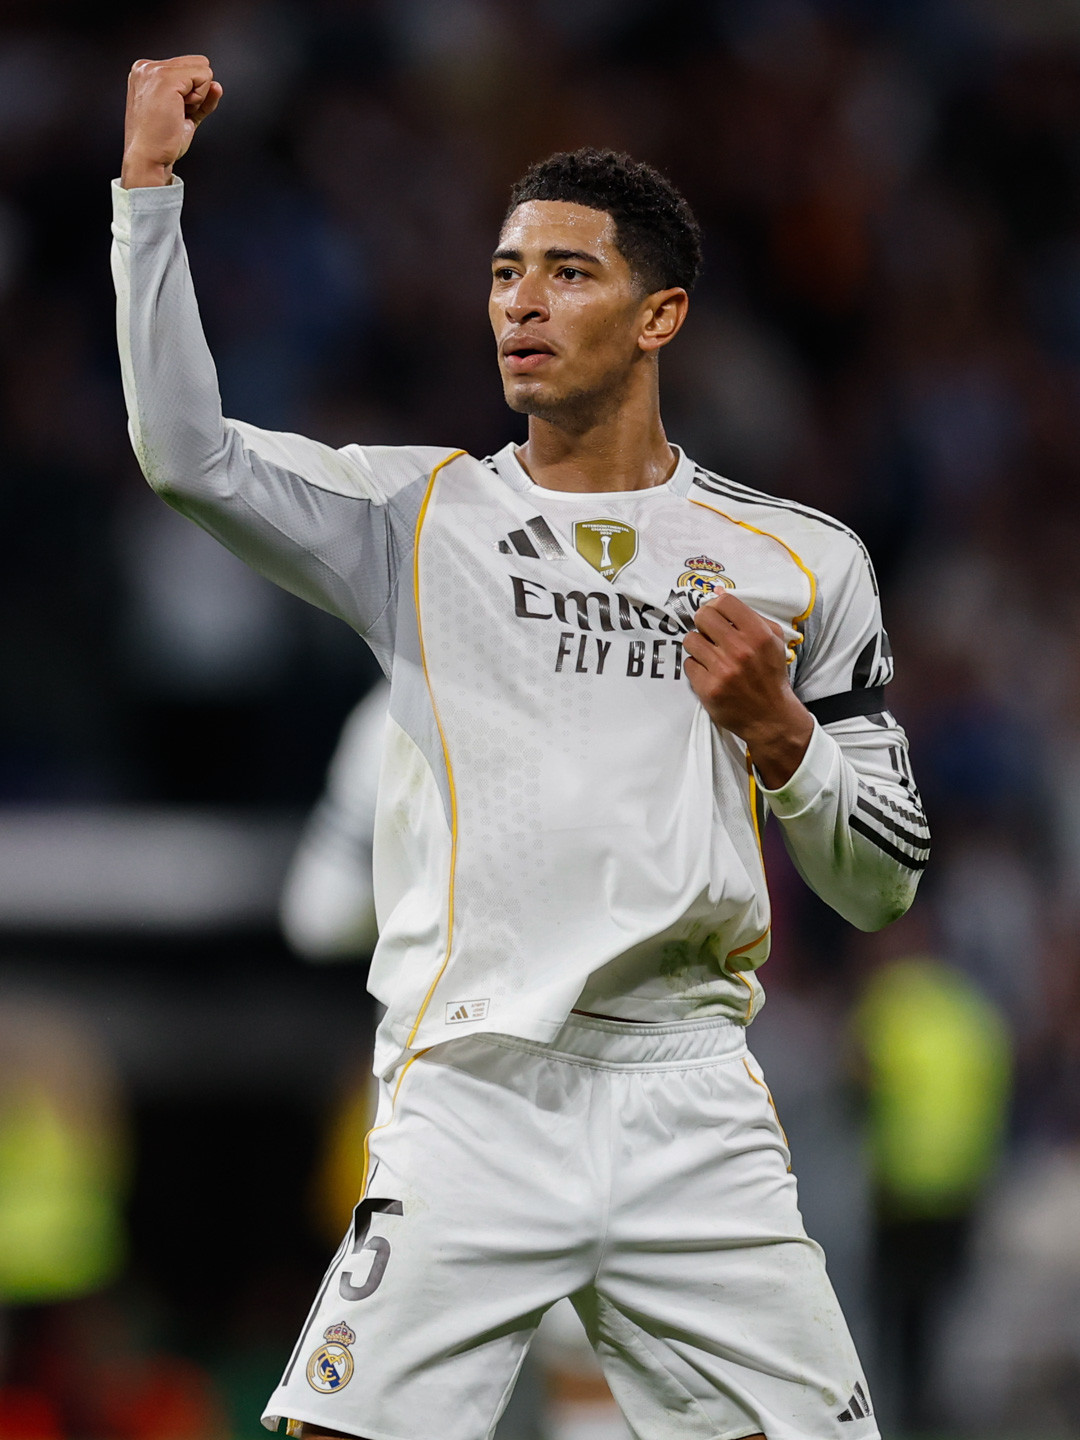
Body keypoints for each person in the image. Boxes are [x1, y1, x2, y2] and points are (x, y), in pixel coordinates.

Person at [113, 56, 930, 1440]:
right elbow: (188, 454)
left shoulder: (802, 561)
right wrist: (148, 191)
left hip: (690, 1097)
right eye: (504, 274)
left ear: (661, 313)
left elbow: (885, 883)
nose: (520, 303)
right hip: (475, 1089)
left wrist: (783, 735)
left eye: (565, 273)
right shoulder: (414, 519)